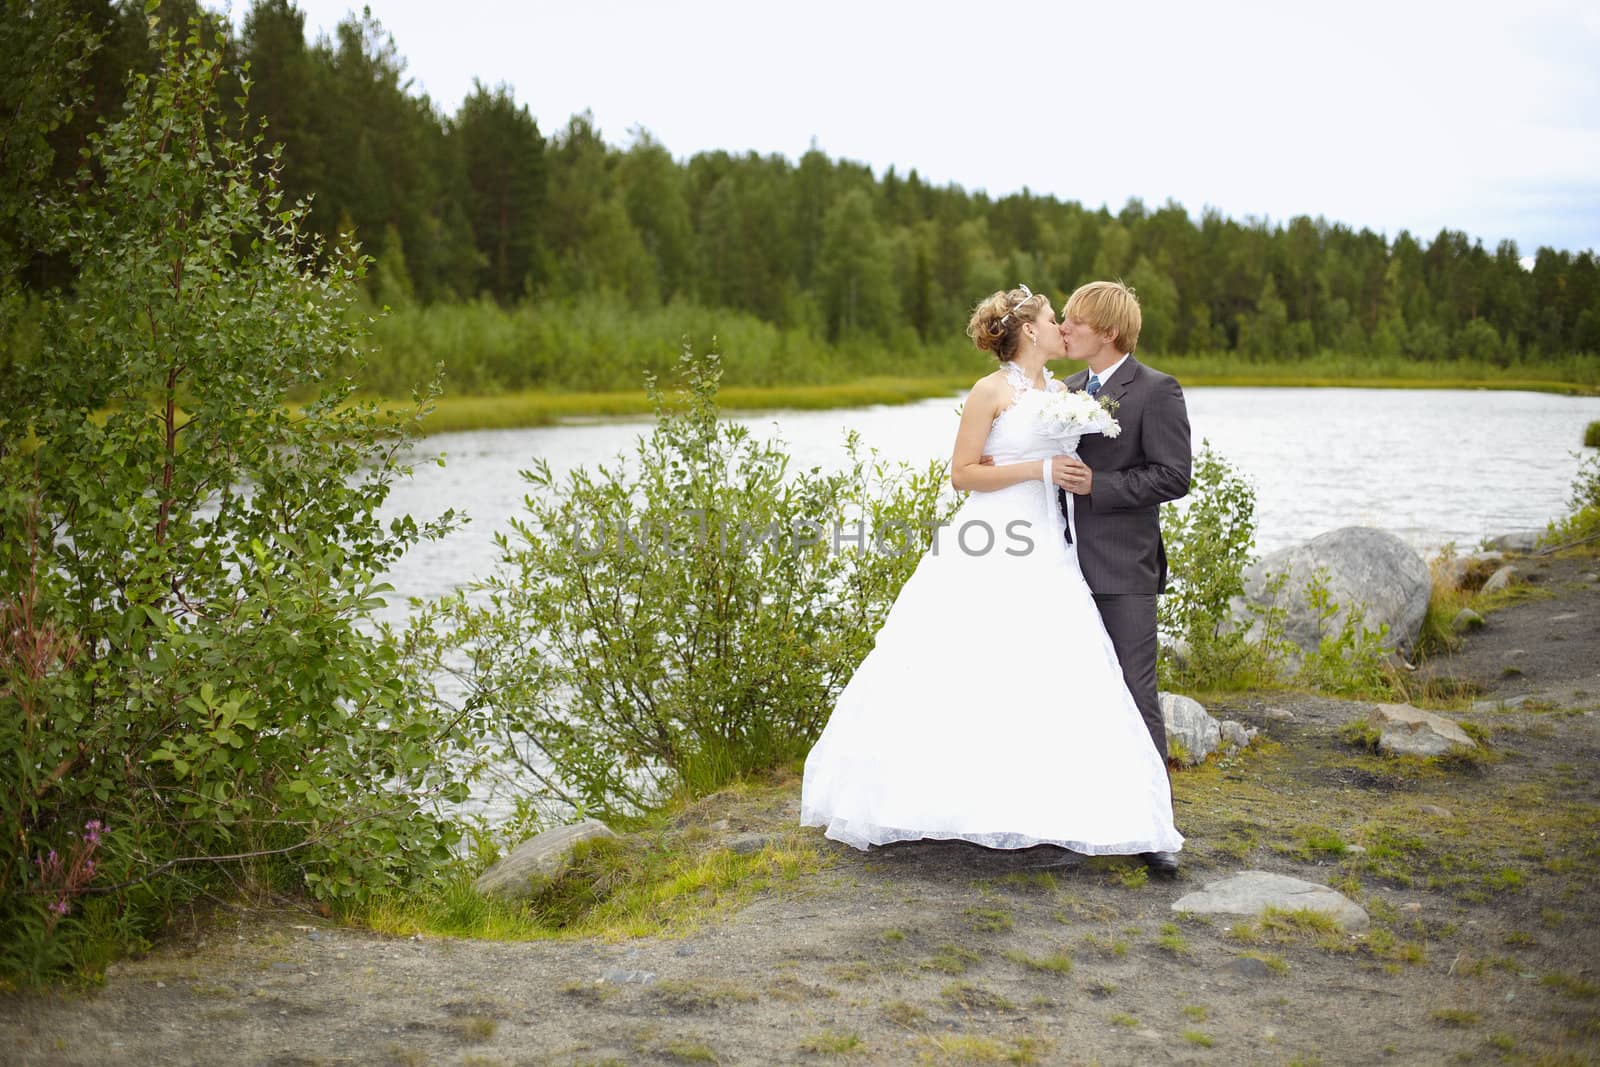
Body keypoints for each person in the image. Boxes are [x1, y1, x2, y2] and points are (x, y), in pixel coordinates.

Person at [799, 286, 1182, 863]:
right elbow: (963, 473)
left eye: (1072, 320)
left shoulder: (1068, 391)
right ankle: (951, 801)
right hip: (998, 540)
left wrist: (1075, 479)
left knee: (1062, 677)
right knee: (968, 665)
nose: (1063, 327)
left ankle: (1115, 815)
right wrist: (1039, 467)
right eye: (1056, 319)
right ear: (1030, 330)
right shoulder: (993, 390)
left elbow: (1159, 472)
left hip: (1062, 552)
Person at [1055, 280, 1192, 876]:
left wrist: (1100, 487)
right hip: (1055, 567)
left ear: (1107, 331)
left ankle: (1154, 827)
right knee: (1068, 690)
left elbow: (1173, 476)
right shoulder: (1063, 391)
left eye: (1074, 321)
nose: (1063, 328)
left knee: (1137, 693)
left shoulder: (1157, 390)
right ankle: (1075, 815)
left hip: (1122, 567)